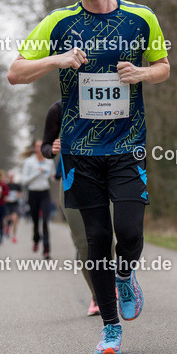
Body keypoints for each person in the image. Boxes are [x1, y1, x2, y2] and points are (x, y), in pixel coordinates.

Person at [8, 0, 170, 354]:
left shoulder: (141, 18)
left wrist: (141, 74)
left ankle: (124, 274)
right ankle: (111, 329)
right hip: (80, 153)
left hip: (127, 144)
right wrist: (55, 60)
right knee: (96, 238)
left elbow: (164, 67)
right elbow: (15, 72)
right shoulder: (58, 23)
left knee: (129, 232)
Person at [41, 99, 114, 316]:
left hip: (105, 177)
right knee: (83, 243)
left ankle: (114, 285)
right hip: (71, 180)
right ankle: (98, 296)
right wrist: (51, 149)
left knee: (107, 238)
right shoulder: (59, 109)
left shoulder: (108, 99)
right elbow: (46, 145)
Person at [19, 140, 55, 258]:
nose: (40, 148)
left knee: (45, 221)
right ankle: (36, 239)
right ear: (34, 148)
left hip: (45, 192)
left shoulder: (49, 161)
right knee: (35, 221)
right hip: (33, 193)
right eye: (38, 146)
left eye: (42, 146)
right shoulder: (29, 162)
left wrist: (55, 175)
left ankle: (46, 249)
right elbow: (24, 181)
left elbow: (53, 177)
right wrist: (37, 173)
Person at [2, 170, 21, 243]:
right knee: (6, 219)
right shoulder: (5, 185)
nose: (11, 178)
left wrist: (18, 196)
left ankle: (14, 236)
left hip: (14, 204)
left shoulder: (17, 186)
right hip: (7, 205)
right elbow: (2, 194)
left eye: (12, 177)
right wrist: (5, 197)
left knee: (15, 219)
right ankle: (6, 228)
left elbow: (20, 193)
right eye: (10, 177)